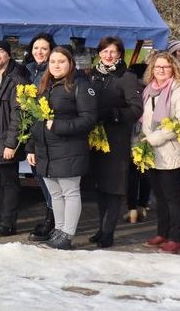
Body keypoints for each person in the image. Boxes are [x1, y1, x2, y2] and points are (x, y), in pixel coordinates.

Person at [26, 47, 98, 250]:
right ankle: (59, 229)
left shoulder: (80, 85)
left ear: (70, 64)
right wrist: (31, 147)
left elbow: (89, 119)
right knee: (55, 193)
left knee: (70, 191)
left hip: (69, 149)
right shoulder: (45, 85)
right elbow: (36, 119)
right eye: (53, 62)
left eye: (61, 61)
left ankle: (67, 234)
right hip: (46, 150)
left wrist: (59, 126)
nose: (56, 65)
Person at [87, 36, 143, 248]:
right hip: (96, 138)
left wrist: (114, 114)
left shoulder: (126, 77)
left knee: (114, 186)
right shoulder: (93, 75)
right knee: (100, 185)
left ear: (120, 54)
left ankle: (109, 231)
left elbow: (136, 108)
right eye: (105, 51)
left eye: (113, 52)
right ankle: (102, 227)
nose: (108, 56)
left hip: (116, 137)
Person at [137, 52, 180, 253]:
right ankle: (162, 232)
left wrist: (154, 138)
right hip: (151, 151)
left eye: (165, 67)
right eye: (157, 67)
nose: (160, 70)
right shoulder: (149, 91)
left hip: (170, 151)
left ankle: (175, 238)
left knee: (172, 197)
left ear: (175, 69)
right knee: (159, 196)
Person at [0, 40, 30, 237]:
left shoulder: (17, 79)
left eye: (1, 52)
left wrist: (12, 143)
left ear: (9, 55)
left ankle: (8, 223)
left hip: (6, 137)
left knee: (8, 182)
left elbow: (18, 114)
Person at [22, 33, 56, 241]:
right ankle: (50, 216)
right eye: (36, 48)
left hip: (49, 134)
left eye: (44, 48)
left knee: (50, 179)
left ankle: (53, 220)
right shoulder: (28, 70)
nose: (39, 52)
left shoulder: (54, 72)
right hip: (32, 132)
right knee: (40, 177)